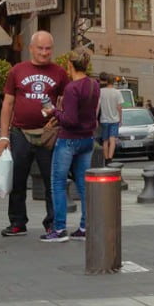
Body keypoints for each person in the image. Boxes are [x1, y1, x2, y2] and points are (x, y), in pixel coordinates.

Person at [0, 31, 68, 238]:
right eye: (40, 48)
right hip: (21, 133)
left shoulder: (60, 73)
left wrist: (59, 119)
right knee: (17, 179)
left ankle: (52, 223)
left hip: (48, 134)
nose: (44, 53)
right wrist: (4, 136)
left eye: (48, 49)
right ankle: (17, 222)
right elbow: (8, 104)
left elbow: (65, 101)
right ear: (31, 48)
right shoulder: (17, 71)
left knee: (51, 180)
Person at [40, 48, 99, 243]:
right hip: (87, 139)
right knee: (83, 184)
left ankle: (59, 229)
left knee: (58, 183)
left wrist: (53, 111)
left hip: (69, 139)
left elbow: (70, 120)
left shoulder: (71, 88)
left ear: (70, 65)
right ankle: (85, 227)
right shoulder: (94, 84)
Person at [97, 73, 123, 163]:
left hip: (104, 119)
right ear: (114, 82)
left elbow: (98, 106)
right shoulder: (117, 92)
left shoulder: (101, 91)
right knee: (112, 140)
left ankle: (106, 158)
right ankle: (110, 159)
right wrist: (120, 119)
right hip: (114, 119)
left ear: (106, 81)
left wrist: (95, 117)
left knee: (105, 140)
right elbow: (119, 107)